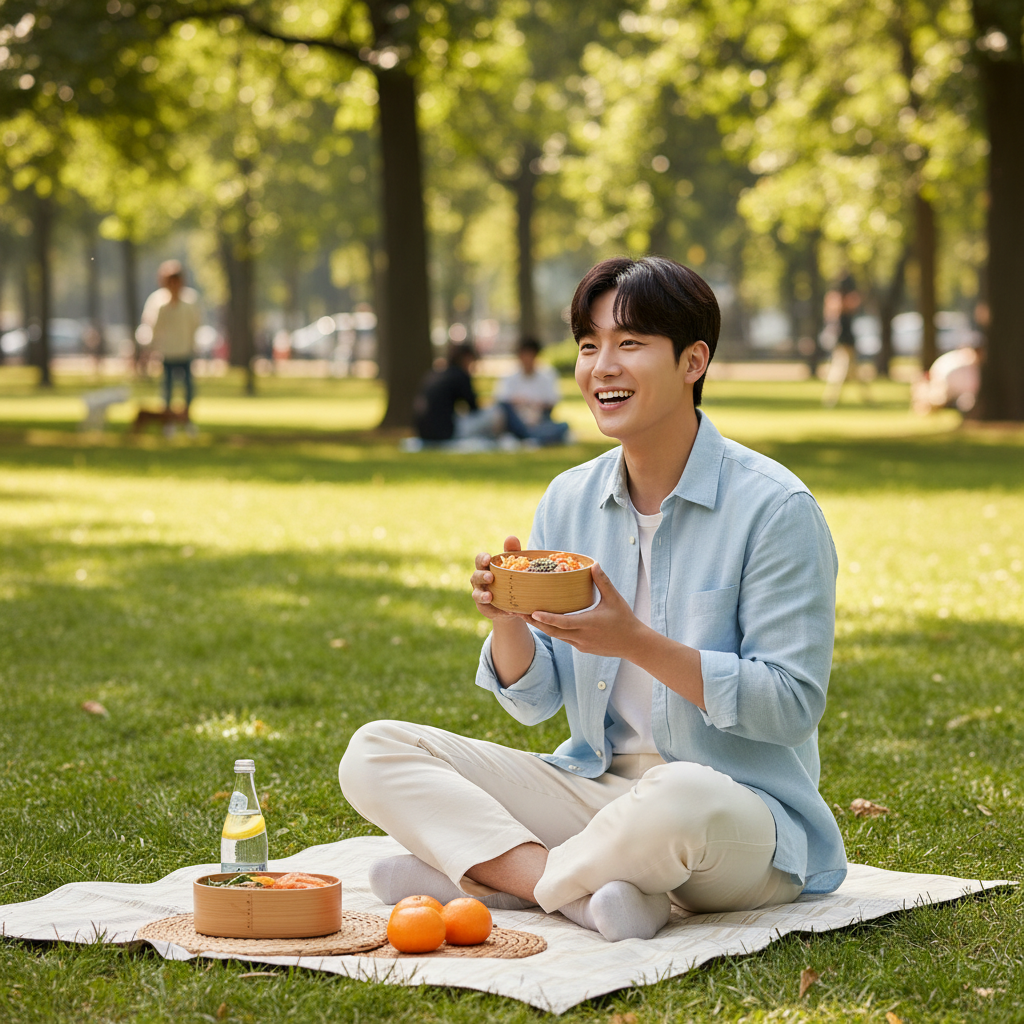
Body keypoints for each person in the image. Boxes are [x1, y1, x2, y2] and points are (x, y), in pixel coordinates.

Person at [340, 256, 847, 942]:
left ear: (693, 361)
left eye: (629, 344)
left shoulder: (774, 508)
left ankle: (501, 877)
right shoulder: (570, 498)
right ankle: (585, 895)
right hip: (597, 791)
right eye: (588, 345)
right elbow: (536, 700)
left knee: (678, 795)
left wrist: (634, 641)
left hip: (733, 813)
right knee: (376, 751)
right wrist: (509, 625)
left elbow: (789, 706)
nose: (602, 366)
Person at [140, 260, 201, 434]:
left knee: (188, 390)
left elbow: (195, 325)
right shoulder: (157, 302)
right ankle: (168, 423)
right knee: (167, 391)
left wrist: (193, 348)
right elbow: (151, 328)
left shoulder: (191, 301)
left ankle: (186, 420)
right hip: (166, 353)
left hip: (185, 352)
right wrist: (149, 351)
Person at [412, 342, 503, 443]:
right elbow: (474, 407)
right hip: (445, 432)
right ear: (466, 358)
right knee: (495, 413)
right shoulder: (460, 375)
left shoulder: (434, 374)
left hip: (423, 432)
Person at [493, 337, 571, 445]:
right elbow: (501, 401)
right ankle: (532, 437)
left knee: (563, 426)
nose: (527, 359)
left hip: (539, 419)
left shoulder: (547, 374)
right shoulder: (509, 376)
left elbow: (552, 401)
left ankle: (528, 437)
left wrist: (536, 405)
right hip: (517, 420)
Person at [822, 273, 871, 407]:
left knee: (851, 369)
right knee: (843, 369)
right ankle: (832, 399)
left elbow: (855, 305)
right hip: (842, 338)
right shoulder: (835, 299)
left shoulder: (844, 298)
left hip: (847, 337)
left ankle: (864, 397)